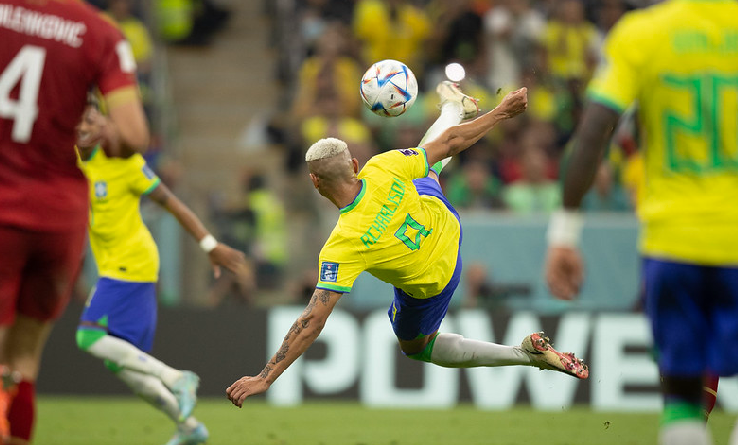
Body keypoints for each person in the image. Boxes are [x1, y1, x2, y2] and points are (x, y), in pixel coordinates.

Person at [227, 81, 589, 410]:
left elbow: (312, 320)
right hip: (443, 221)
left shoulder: (341, 245)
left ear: (314, 182)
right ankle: (452, 107)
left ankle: (523, 354)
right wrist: (503, 112)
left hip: (435, 278)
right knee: (427, 164)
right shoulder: (382, 166)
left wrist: (265, 376)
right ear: (354, 164)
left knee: (418, 346)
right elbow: (449, 143)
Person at [544, 1, 738, 445]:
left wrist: (565, 232)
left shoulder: (642, 34)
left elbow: (594, 130)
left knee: (679, 392)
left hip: (671, 242)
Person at [1, 1, 150, 445]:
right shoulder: (101, 35)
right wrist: (100, 131)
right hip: (57, 216)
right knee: (22, 362)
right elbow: (132, 135)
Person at [75, 101, 249, 445]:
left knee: (87, 337)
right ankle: (189, 426)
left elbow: (174, 204)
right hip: (113, 265)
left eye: (91, 117)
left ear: (105, 123)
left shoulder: (126, 165)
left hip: (133, 263)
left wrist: (209, 244)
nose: (83, 124)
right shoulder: (74, 162)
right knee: (121, 363)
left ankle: (177, 378)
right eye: (77, 118)